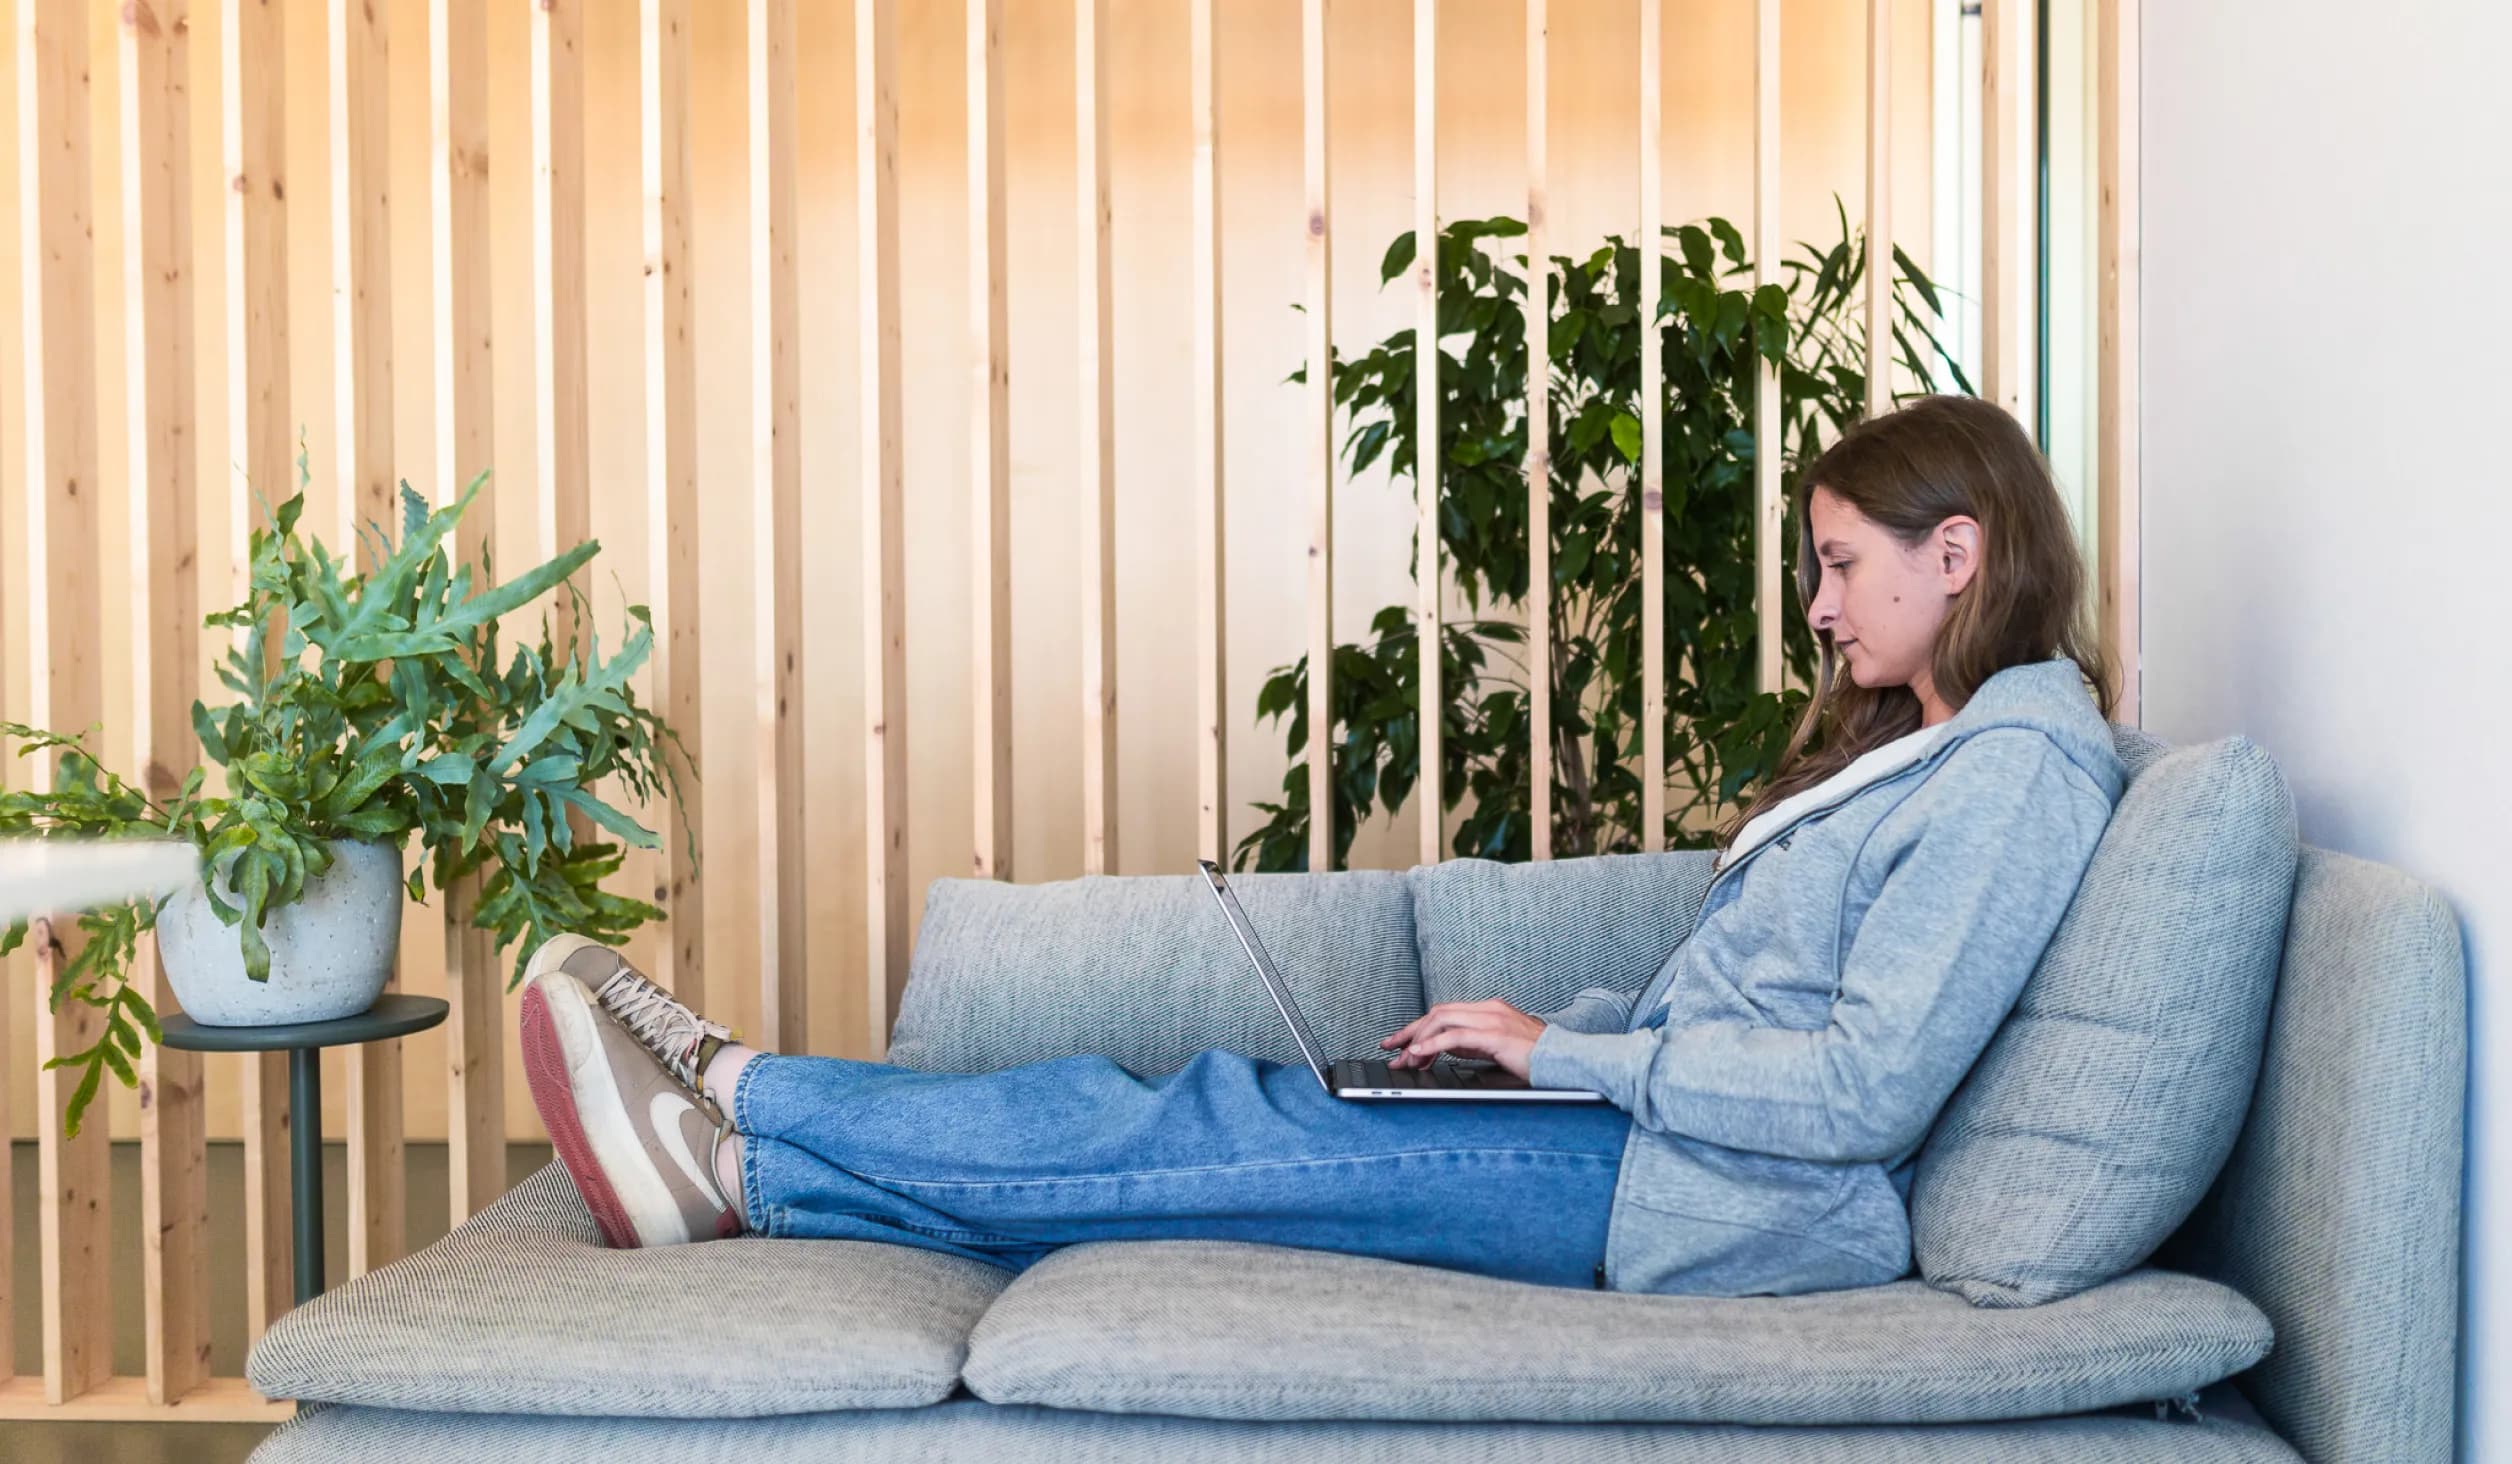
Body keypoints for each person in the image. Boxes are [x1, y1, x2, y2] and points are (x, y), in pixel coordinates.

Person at [516, 394, 2124, 1297]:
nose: (1820, 607)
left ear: (1956, 552)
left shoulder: (2017, 776)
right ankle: (745, 1175)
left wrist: (1572, 1057)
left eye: (1839, 564)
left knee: (1187, 1134)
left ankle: (739, 1095)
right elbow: (1759, 1011)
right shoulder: (1933, 750)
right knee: (1195, 1129)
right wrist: (1547, 1044)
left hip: (1693, 1195)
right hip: (1643, 1142)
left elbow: (1861, 1094)